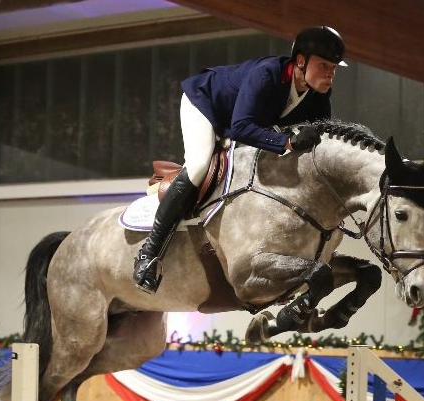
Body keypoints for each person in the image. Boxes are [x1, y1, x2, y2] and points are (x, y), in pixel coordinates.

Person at [133, 25, 347, 293]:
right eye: (324, 65)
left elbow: (320, 141)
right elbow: (242, 128)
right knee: (199, 165)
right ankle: (148, 256)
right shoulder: (267, 74)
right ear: (301, 61)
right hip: (206, 104)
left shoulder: (318, 95)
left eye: (335, 67)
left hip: (242, 121)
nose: (331, 73)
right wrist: (288, 141)